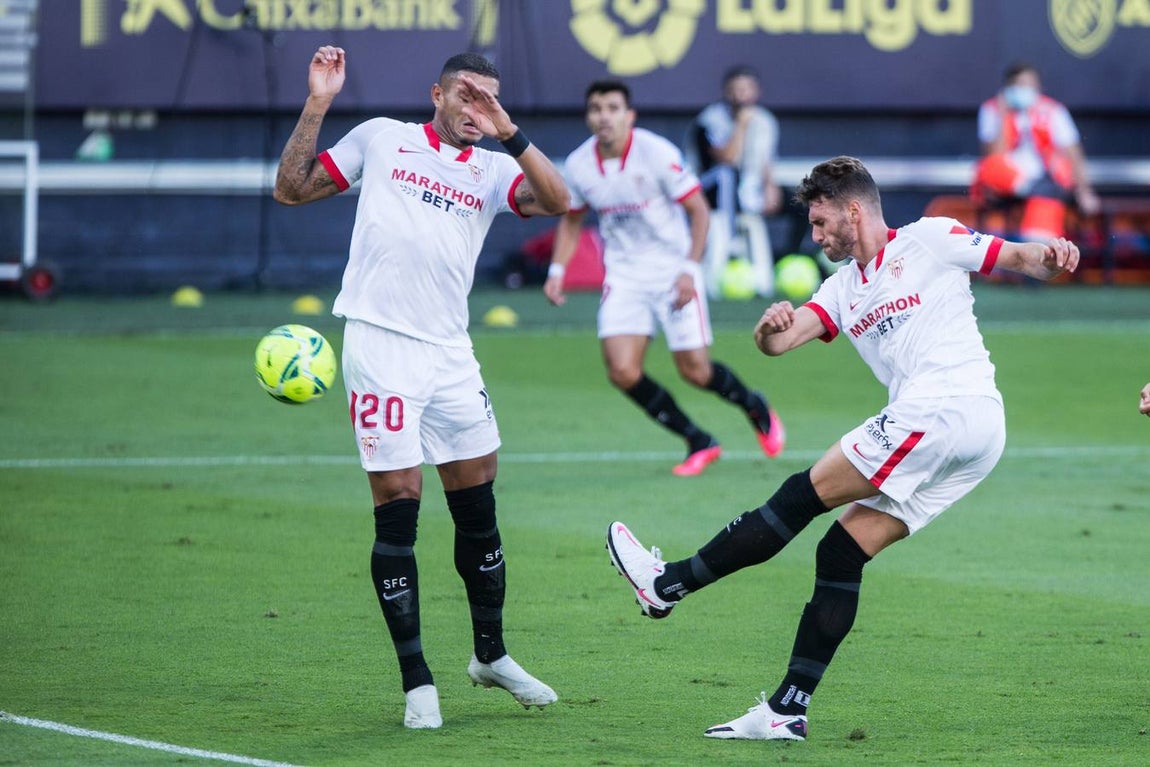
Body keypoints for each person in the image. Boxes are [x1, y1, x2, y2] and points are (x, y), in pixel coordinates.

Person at [607, 156, 1080, 741]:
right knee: (839, 554)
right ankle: (787, 710)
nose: (816, 234)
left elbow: (1016, 256)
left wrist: (1050, 257)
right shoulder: (839, 289)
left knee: (800, 495)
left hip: (948, 407)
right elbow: (781, 343)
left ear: (854, 211)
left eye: (821, 221)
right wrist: (767, 327)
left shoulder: (930, 239)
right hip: (967, 436)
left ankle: (666, 584)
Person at [273, 46, 570, 729]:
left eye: (488, 99)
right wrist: (318, 101)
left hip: (451, 354)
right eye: (468, 96)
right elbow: (291, 188)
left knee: (479, 509)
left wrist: (510, 130)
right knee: (399, 504)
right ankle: (417, 684)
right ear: (435, 94)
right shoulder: (383, 139)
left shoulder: (495, 169)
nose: (477, 110)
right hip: (380, 346)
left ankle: (490, 654)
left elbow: (558, 200)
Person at [544, 79, 785, 477]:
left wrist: (690, 270)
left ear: (629, 115)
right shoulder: (579, 165)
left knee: (695, 370)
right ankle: (698, 440)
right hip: (624, 276)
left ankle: (753, 403)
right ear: (588, 117)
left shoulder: (656, 153)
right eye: (596, 109)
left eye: (612, 108)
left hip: (674, 272)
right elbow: (572, 219)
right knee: (622, 371)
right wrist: (557, 270)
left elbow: (699, 211)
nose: (604, 116)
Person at [685, 65, 785, 297]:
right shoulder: (709, 120)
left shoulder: (765, 121)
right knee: (726, 177)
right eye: (735, 89)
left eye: (746, 89)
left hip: (746, 191)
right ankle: (711, 283)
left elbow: (766, 160)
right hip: (709, 191)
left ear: (756, 91)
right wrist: (741, 125)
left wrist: (771, 188)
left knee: (759, 216)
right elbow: (726, 158)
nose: (741, 95)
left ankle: (763, 281)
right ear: (726, 91)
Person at [973, 61, 1100, 241]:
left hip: (1047, 178)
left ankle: (1037, 201)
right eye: (1021, 85)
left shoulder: (1053, 110)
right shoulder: (992, 109)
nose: (1027, 90)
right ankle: (1033, 187)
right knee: (989, 166)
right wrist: (1003, 116)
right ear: (1008, 88)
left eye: (1031, 85)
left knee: (1042, 237)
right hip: (1009, 179)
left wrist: (1084, 190)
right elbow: (994, 155)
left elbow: (1073, 154)